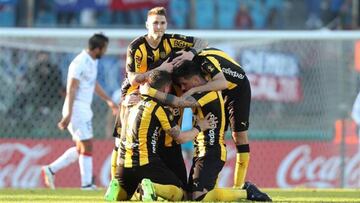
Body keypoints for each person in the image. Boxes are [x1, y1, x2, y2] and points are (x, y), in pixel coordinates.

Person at [140, 62, 271, 202]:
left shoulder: (208, 93)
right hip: (201, 152)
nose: (183, 88)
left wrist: (151, 92)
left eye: (184, 83)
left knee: (198, 197)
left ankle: (246, 192)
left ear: (195, 80)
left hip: (212, 152)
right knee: (188, 196)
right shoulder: (200, 92)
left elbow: (180, 102)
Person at [108, 6, 208, 188]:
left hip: (162, 94)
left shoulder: (172, 41)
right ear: (147, 24)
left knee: (168, 135)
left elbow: (202, 41)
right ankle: (116, 182)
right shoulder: (136, 46)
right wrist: (161, 69)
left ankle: (153, 182)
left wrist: (191, 53)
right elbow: (133, 80)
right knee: (122, 140)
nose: (159, 27)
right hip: (137, 93)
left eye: (162, 23)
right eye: (155, 23)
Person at [104, 70, 216, 201]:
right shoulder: (159, 108)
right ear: (167, 88)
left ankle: (117, 189)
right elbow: (180, 138)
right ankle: (153, 188)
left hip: (123, 164)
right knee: (181, 194)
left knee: (127, 195)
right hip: (145, 163)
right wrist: (199, 127)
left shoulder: (131, 102)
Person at [41, 33, 118, 190]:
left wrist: (108, 100)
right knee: (87, 145)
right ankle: (86, 184)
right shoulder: (79, 63)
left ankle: (50, 169)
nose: (105, 52)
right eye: (104, 49)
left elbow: (93, 83)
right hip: (76, 109)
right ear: (97, 48)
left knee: (81, 148)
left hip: (83, 108)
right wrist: (68, 114)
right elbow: (71, 88)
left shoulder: (92, 61)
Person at [177, 47, 253, 189]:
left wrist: (194, 90)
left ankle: (239, 187)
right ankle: (212, 185)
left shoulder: (204, 62)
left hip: (237, 89)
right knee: (216, 134)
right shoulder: (193, 67)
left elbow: (223, 83)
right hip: (219, 90)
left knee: (239, 136)